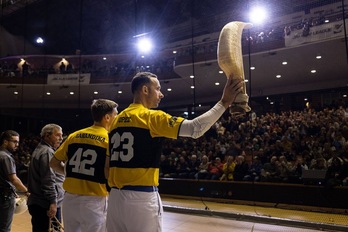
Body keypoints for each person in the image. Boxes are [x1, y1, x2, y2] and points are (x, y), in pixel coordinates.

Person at [106, 71, 243, 232]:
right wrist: (224, 102)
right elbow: (195, 129)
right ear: (145, 90)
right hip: (140, 199)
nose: (161, 94)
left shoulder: (115, 123)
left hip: (114, 198)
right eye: (157, 88)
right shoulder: (151, 117)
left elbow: (107, 166)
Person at [50, 99, 118, 232]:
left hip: (69, 200)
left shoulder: (74, 136)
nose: (117, 118)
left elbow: (53, 163)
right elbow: (108, 169)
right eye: (116, 115)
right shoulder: (109, 139)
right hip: (94, 200)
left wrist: (71, 173)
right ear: (107, 117)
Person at [27, 124, 64, 232]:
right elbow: (48, 180)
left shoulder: (42, 149)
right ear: (47, 135)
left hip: (40, 203)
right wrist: (53, 202)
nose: (61, 138)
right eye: (58, 135)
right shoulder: (47, 152)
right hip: (46, 204)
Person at [0, 130, 29, 232]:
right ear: (5, 141)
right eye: (14, 142)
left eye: (18, 142)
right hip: (4, 198)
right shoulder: (6, 157)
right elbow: (14, 179)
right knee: (4, 228)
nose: (17, 144)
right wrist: (26, 191)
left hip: (4, 193)